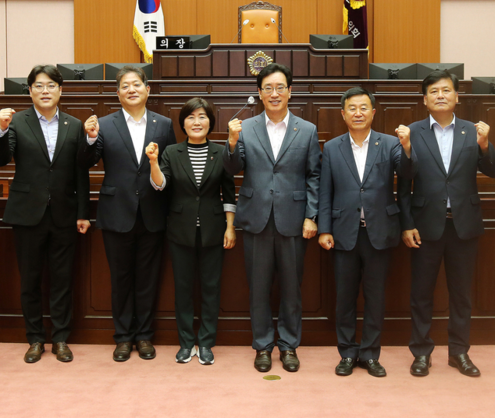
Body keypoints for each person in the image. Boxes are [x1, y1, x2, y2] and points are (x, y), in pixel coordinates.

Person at [399, 70, 495, 377]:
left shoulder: (473, 130)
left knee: (461, 294)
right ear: (424, 99)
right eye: (434, 91)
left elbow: (494, 170)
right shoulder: (412, 132)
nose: (440, 95)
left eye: (446, 90)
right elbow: (403, 182)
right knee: (421, 294)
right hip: (424, 225)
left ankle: (459, 352)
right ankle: (421, 352)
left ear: (457, 96)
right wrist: (406, 223)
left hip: (463, 225)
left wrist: (485, 145)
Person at [224, 63, 321, 373]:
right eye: (268, 88)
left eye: (280, 87)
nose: (274, 93)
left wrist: (312, 215)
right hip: (257, 218)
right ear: (259, 93)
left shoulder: (307, 129)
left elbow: (314, 176)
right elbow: (232, 169)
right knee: (259, 288)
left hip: (294, 219)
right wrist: (232, 143)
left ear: (290, 91)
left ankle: (289, 346)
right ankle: (263, 346)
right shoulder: (246, 127)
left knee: (292, 288)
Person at [0, 65, 91, 364]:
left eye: (50, 86)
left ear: (61, 90)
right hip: (27, 214)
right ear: (30, 90)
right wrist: (1, 130)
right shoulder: (16, 122)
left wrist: (83, 212)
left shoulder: (74, 124)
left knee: (62, 280)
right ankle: (35, 339)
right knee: (30, 280)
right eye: (38, 86)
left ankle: (60, 338)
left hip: (64, 214)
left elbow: (81, 172)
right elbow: (0, 160)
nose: (45, 91)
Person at [78, 65, 176, 362]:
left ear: (148, 89)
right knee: (120, 279)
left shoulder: (164, 124)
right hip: (116, 211)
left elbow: (170, 167)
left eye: (136, 84)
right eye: (125, 86)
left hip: (152, 212)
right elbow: (86, 161)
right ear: (117, 93)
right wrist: (90, 138)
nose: (131, 89)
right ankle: (122, 337)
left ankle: (144, 336)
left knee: (147, 279)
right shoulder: (103, 124)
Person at [318, 87, 415, 377]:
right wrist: (324, 229)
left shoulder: (391, 143)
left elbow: (407, 173)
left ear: (373, 113)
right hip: (343, 233)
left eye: (363, 108)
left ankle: (371, 354)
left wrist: (408, 148)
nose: (358, 113)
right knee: (344, 298)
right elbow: (325, 192)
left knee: (375, 297)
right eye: (352, 108)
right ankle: (347, 353)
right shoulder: (332, 147)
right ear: (343, 114)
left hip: (380, 232)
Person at [146, 97, 236, 365]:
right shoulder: (171, 152)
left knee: (211, 288)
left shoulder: (221, 152)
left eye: (202, 117)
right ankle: (186, 343)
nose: (197, 122)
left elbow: (229, 193)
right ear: (183, 124)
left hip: (214, 230)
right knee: (183, 289)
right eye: (191, 117)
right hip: (180, 230)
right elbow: (160, 186)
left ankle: (206, 343)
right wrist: (153, 162)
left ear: (210, 122)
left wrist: (230, 227)